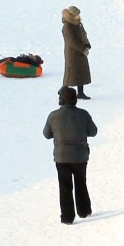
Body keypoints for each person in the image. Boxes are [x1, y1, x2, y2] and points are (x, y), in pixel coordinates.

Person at [44, 85, 98, 224]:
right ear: (75, 99)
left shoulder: (53, 115)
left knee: (64, 186)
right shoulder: (83, 114)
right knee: (81, 182)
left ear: (61, 100)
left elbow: (46, 134)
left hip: (61, 157)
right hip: (80, 156)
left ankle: (67, 217)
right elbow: (93, 132)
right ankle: (84, 211)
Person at [62, 6, 91, 99]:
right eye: (76, 14)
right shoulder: (67, 26)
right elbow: (71, 41)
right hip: (72, 53)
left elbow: (83, 35)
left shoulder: (78, 24)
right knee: (70, 73)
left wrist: (87, 45)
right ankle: (63, 90)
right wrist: (83, 49)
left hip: (80, 52)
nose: (78, 16)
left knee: (81, 72)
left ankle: (81, 93)